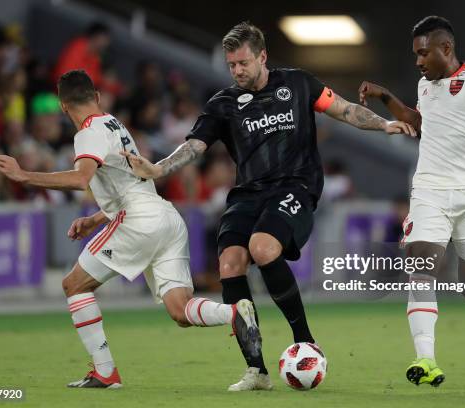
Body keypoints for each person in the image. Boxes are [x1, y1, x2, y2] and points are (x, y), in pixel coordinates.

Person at [121, 21, 415, 391]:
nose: (237, 71)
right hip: (248, 193)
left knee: (262, 247)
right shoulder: (223, 104)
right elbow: (195, 146)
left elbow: (343, 109)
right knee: (229, 263)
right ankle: (256, 370)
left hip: (296, 186)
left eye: (243, 62)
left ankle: (305, 339)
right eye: (232, 65)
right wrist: (159, 168)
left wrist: (385, 125)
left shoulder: (298, 83)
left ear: (262, 57)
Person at [0, 69, 261, 389]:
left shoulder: (87, 133)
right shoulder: (114, 124)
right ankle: (234, 314)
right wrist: (94, 220)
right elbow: (126, 186)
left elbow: (80, 179)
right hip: (166, 218)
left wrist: (24, 176)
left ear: (63, 107)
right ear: (97, 97)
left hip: (138, 221)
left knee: (74, 285)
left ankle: (104, 371)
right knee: (181, 311)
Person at [359, 16, 465, 387]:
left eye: (424, 54)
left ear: (446, 49)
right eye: (416, 55)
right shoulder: (426, 86)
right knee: (422, 266)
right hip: (430, 191)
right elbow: (421, 123)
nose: (418, 62)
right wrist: (386, 96)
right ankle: (425, 358)